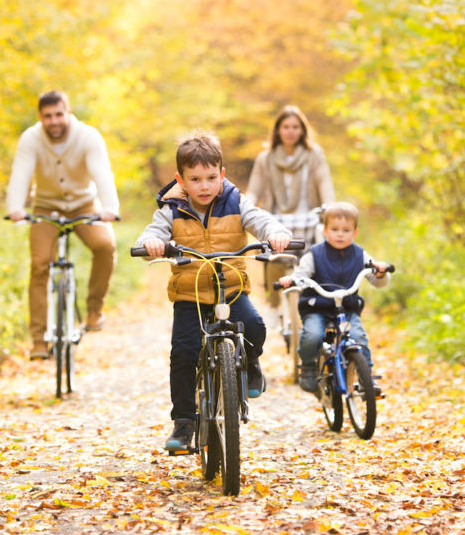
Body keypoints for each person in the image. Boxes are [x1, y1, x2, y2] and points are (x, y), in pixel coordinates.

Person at [135, 132, 291, 452]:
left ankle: (249, 363)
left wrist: (274, 231)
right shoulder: (171, 208)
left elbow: (258, 219)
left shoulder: (235, 201)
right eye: (195, 179)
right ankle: (184, 422)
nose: (204, 186)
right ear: (181, 180)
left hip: (230, 288)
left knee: (255, 326)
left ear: (222, 175)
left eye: (210, 178)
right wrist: (152, 244)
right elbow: (155, 231)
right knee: (183, 352)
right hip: (190, 293)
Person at [6, 90, 120, 360]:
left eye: (59, 114)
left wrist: (110, 208)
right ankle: (38, 340)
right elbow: (20, 173)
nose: (54, 121)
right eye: (48, 116)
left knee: (105, 246)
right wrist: (15, 208)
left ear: (68, 112)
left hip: (84, 205)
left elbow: (102, 173)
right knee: (39, 264)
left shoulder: (88, 136)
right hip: (46, 208)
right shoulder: (31, 139)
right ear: (40, 117)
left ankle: (94, 310)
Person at [278, 202, 390, 394]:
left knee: (359, 337)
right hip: (317, 307)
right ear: (324, 231)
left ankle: (366, 377)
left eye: (346, 230)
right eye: (335, 229)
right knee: (312, 335)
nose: (340, 234)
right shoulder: (314, 254)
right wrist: (292, 280)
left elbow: (377, 279)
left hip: (346, 309)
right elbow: (301, 274)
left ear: (354, 232)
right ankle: (308, 367)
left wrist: (380, 272)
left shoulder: (360, 255)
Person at [246, 105, 335, 343]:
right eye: (286, 126)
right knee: (273, 257)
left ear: (302, 130)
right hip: (277, 220)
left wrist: (331, 208)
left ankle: (313, 306)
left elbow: (324, 182)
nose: (290, 131)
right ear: (278, 130)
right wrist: (245, 208)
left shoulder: (314, 154)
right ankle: (274, 305)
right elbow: (253, 190)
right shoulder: (265, 158)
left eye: (295, 127)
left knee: (314, 262)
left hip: (308, 217)